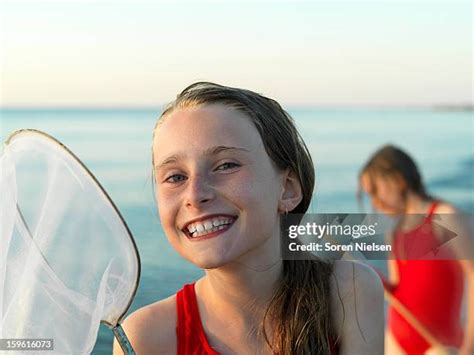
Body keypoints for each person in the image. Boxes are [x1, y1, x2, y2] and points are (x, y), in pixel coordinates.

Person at [113, 82, 384, 355]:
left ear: (287, 188)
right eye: (175, 177)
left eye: (226, 165)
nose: (194, 195)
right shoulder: (145, 339)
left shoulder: (348, 291)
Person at [359, 145, 474, 355]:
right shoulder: (395, 231)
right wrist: (370, 276)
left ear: (397, 180)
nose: (374, 202)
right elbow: (400, 290)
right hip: (396, 342)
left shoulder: (444, 216)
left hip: (441, 347)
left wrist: (470, 346)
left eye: (375, 191)